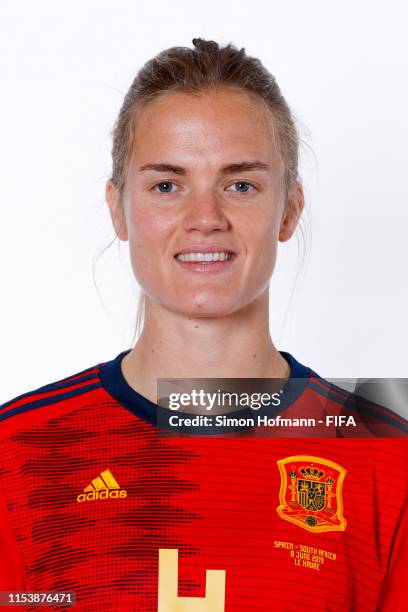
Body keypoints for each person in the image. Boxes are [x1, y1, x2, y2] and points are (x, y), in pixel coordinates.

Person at [0, 38, 406, 612]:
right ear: (118, 208)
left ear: (289, 208)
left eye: (240, 185)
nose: (205, 219)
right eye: (167, 185)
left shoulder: (383, 454)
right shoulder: (18, 455)